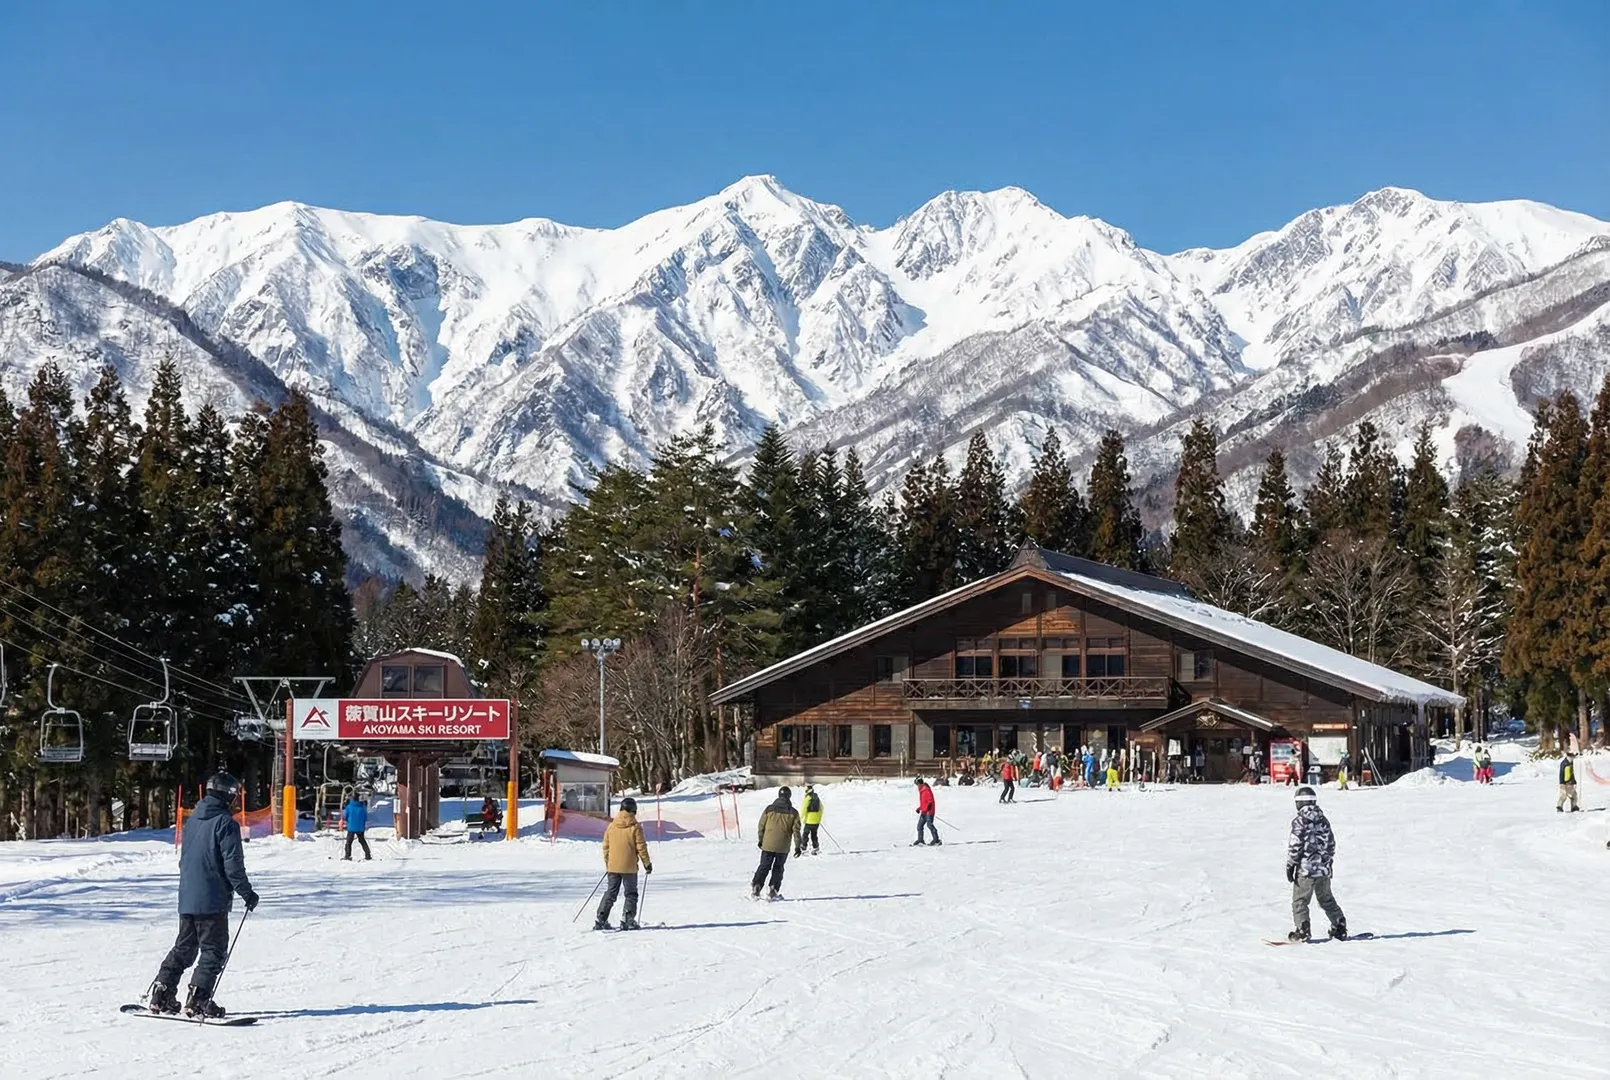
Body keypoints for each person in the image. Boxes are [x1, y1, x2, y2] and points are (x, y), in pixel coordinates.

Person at [146, 771, 259, 1018]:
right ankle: (198, 1000)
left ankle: (162, 993)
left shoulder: (193, 821)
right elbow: (232, 864)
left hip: (188, 896)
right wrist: (246, 892)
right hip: (212, 898)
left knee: (184, 948)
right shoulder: (225, 823)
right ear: (229, 796)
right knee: (213, 950)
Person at [1285, 785, 1346, 942]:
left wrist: (1291, 865)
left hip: (1306, 871)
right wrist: (1327, 863)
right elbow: (1331, 844)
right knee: (1326, 899)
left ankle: (1303, 929)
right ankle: (1339, 924)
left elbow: (1295, 845)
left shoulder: (1300, 821)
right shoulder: (1323, 820)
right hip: (1323, 870)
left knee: (1300, 901)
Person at [595, 796, 651, 930]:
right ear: (633, 811)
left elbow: (606, 847)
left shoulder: (612, 826)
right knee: (631, 893)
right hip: (629, 867)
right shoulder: (635, 827)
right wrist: (647, 863)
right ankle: (627, 919)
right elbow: (641, 847)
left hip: (613, 867)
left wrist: (608, 863)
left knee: (611, 892)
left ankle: (601, 918)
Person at [752, 787, 802, 899]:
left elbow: (761, 826)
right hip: (783, 846)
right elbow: (796, 831)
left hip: (768, 844)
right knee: (778, 867)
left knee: (764, 866)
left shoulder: (769, 809)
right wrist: (798, 846)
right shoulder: (794, 812)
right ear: (789, 796)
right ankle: (773, 889)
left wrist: (761, 839)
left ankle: (757, 886)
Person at [342, 793, 372, 861]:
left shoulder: (349, 807)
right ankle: (368, 854)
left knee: (349, 842)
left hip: (351, 827)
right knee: (362, 840)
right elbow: (365, 818)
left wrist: (348, 821)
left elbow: (345, 816)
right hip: (360, 827)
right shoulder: (362, 807)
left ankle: (347, 855)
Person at [914, 777, 941, 846]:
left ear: (919, 783)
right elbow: (924, 802)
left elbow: (930, 801)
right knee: (919, 826)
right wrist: (919, 808)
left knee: (929, 825)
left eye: (917, 784)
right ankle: (920, 840)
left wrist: (928, 808)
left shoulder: (926, 790)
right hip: (924, 811)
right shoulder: (922, 790)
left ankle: (936, 840)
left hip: (929, 811)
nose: (917, 786)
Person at [798, 783, 823, 855]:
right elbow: (821, 808)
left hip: (809, 821)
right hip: (816, 822)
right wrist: (818, 818)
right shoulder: (817, 797)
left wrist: (799, 819)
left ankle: (803, 848)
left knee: (805, 834)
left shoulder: (808, 798)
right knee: (814, 835)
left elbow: (803, 809)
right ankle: (816, 848)